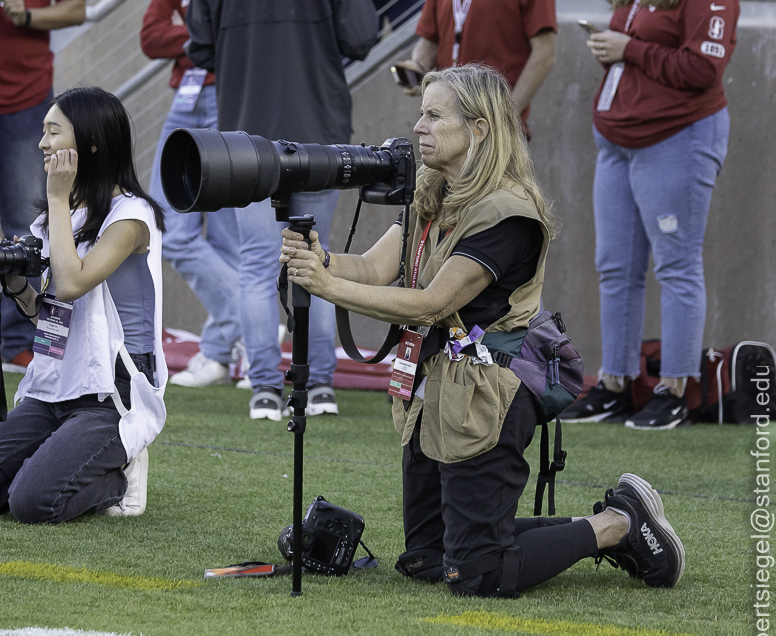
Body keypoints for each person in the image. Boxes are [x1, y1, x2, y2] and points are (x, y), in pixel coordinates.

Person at [280, 64, 685, 597]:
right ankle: (612, 523)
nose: (417, 126)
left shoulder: (508, 212)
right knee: (428, 557)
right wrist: (323, 260)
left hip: (487, 393)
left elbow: (431, 304)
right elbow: (376, 270)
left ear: (478, 129)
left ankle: (617, 526)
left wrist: (326, 287)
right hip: (438, 389)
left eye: (433, 114)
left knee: (476, 573)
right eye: (420, 112)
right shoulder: (436, 193)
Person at [185, 0, 379, 421]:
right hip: (319, 132)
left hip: (246, 140)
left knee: (257, 264)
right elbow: (362, 36)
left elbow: (199, 47)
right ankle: (321, 384)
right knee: (316, 258)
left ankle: (265, 389)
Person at [562, 0, 739, 429]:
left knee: (677, 264)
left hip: (676, 135)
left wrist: (629, 49)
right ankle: (616, 384)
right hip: (617, 140)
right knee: (615, 266)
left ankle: (676, 389)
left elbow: (702, 68)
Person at [0, 87, 168, 524]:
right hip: (58, 380)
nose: (42, 144)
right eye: (43, 131)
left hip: (111, 393)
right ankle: (59, 455)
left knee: (31, 502)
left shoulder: (131, 217)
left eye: (53, 132)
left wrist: (57, 197)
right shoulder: (64, 216)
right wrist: (19, 286)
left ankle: (118, 472)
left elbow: (72, 283)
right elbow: (52, 313)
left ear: (90, 143)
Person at [141, 0, 242, 388]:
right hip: (188, 93)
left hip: (230, 92)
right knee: (167, 225)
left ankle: (218, 353)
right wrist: (208, 34)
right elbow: (150, 37)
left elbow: (240, 32)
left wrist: (196, 35)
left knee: (226, 241)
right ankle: (253, 322)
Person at [0, 0, 86, 373]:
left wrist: (28, 16)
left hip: (24, 98)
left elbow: (76, 10)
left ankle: (21, 341)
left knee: (26, 225)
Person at [396, 0, 556, 139]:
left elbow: (544, 53)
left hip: (494, 130)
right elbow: (430, 41)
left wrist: (504, 117)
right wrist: (417, 67)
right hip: (444, 125)